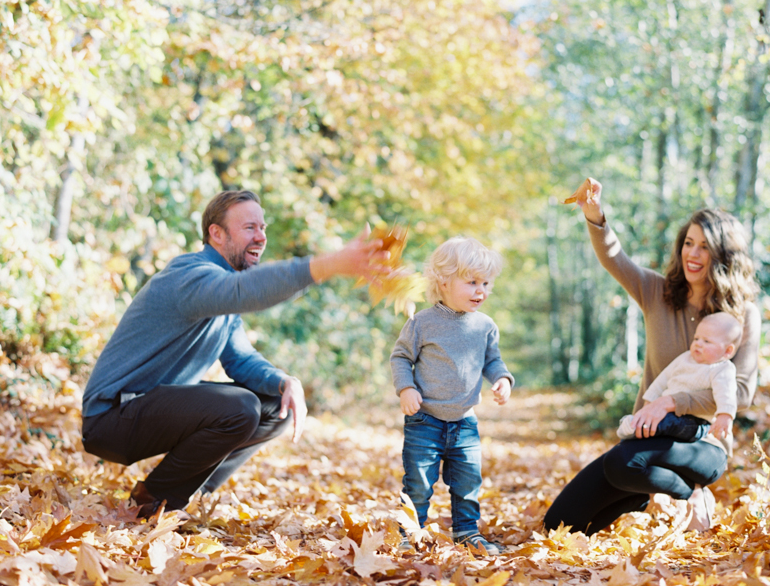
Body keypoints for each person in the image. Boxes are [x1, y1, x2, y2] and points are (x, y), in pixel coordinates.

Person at [81, 190, 388, 518]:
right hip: (112, 416)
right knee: (240, 408)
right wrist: (329, 264)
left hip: (147, 408)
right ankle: (153, 499)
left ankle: (189, 496)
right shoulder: (190, 275)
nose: (260, 237)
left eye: (263, 228)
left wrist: (285, 381)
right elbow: (246, 291)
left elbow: (239, 357)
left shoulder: (222, 288)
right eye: (249, 228)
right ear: (217, 233)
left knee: (274, 406)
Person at [543, 177, 760, 535]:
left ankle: (690, 495)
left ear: (723, 255)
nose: (692, 254)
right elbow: (616, 259)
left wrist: (674, 401)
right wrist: (595, 215)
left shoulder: (743, 316)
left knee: (623, 462)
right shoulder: (657, 293)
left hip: (704, 444)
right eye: (688, 243)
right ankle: (645, 494)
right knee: (558, 525)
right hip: (648, 437)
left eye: (704, 247)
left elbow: (741, 393)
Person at [390, 237, 514, 555]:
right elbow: (401, 357)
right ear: (444, 282)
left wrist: (501, 378)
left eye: (486, 283)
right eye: (471, 282)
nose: (481, 290)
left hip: (465, 423)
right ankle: (409, 532)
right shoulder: (422, 323)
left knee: (468, 483)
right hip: (425, 420)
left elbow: (492, 360)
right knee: (418, 482)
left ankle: (467, 532)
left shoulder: (485, 326)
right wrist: (406, 388)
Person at [616, 312, 741, 443]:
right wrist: (649, 403)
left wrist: (725, 415)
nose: (698, 344)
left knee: (667, 422)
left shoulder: (722, 369)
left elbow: (726, 393)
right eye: (696, 338)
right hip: (669, 413)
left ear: (727, 351)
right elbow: (662, 380)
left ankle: (636, 427)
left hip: (694, 422)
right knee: (660, 420)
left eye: (707, 341)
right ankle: (637, 425)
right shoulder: (685, 357)